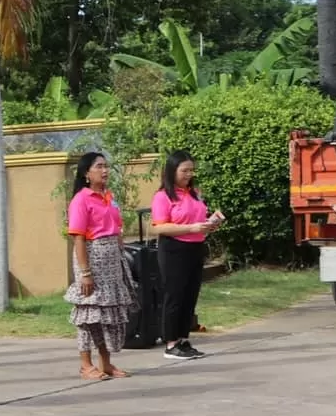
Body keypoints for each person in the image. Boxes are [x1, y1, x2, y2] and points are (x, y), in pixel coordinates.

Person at [65, 151, 137, 382]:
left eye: (106, 166)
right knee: (89, 313)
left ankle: (105, 363)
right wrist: (85, 273)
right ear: (86, 173)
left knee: (108, 313)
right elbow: (78, 238)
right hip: (92, 259)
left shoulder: (108, 196)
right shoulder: (81, 200)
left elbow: (117, 228)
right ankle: (85, 365)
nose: (104, 171)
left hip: (112, 261)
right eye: (99, 167)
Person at [151, 150, 223, 362]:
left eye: (191, 170)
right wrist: (191, 228)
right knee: (174, 296)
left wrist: (210, 224)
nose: (188, 174)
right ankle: (170, 342)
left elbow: (198, 219)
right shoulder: (163, 196)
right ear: (172, 171)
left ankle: (183, 338)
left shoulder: (194, 193)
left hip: (195, 247)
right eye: (184, 171)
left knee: (190, 296)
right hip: (174, 249)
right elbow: (160, 227)